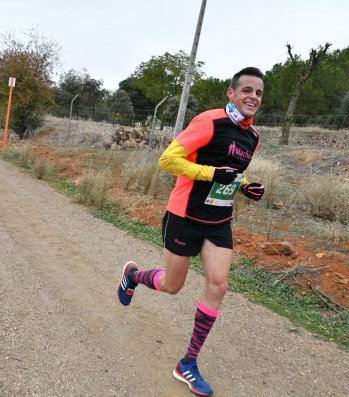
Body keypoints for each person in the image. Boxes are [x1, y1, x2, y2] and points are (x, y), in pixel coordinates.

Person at [117, 66, 266, 396]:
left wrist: (245, 188)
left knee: (219, 284)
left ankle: (187, 363)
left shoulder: (251, 137)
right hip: (184, 216)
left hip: (218, 221)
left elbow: (233, 174)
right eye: (247, 91)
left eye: (258, 93)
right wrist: (211, 174)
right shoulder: (210, 122)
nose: (253, 97)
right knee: (173, 286)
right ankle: (134, 276)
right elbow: (168, 160)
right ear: (232, 93)